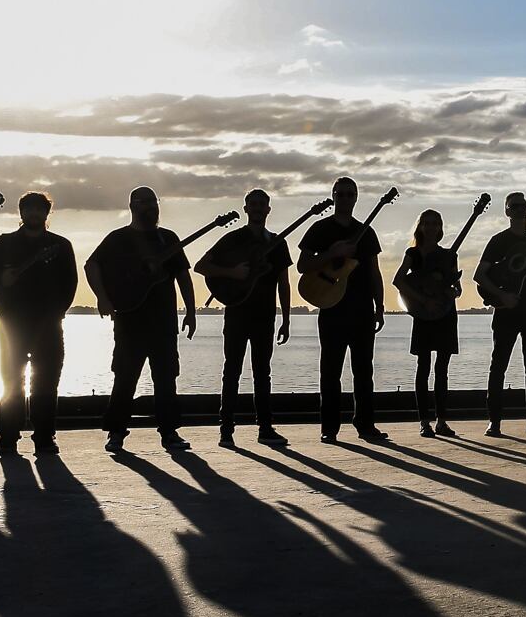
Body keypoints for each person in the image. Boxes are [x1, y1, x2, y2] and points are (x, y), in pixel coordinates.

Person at [86, 186, 197, 454]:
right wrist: (103, 298)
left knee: (166, 377)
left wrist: (191, 311)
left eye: (153, 202)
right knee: (125, 378)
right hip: (129, 318)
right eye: (144, 202)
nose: (150, 207)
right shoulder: (118, 238)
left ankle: (169, 433)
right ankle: (116, 433)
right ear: (132, 206)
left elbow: (183, 276)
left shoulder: (168, 239)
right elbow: (92, 265)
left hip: (164, 321)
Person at [0, 191, 78, 457]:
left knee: (46, 383)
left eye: (38, 209)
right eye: (28, 209)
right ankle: (8, 438)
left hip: (49, 324)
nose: (33, 213)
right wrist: (1, 278)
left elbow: (71, 283)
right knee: (11, 381)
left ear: (46, 213)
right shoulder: (4, 243)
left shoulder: (61, 245)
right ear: (21, 213)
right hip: (11, 324)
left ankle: (44, 438)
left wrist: (58, 312)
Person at [195, 188, 291, 449]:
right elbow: (201, 266)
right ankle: (226, 431)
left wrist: (286, 318)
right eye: (254, 204)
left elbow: (283, 282)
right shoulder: (233, 239)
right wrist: (233, 273)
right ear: (246, 208)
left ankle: (265, 429)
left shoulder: (278, 243)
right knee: (232, 371)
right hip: (237, 313)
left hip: (265, 316)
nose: (258, 208)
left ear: (268, 210)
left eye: (263, 204)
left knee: (263, 373)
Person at [297, 177, 387, 444]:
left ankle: (365, 425)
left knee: (363, 371)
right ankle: (329, 427)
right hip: (331, 306)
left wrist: (380, 306)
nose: (346, 198)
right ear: (333, 196)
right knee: (330, 371)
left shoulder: (367, 233)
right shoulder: (319, 229)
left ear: (356, 198)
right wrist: (331, 253)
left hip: (361, 309)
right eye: (341, 194)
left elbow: (374, 272)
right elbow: (302, 265)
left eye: (351, 194)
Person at [474, 192, 526, 436]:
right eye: (514, 206)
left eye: (523, 206)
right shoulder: (498, 241)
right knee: (498, 365)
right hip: (506, 311)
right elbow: (479, 275)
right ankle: (494, 421)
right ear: (507, 212)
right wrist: (502, 297)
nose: (520, 209)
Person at [394, 209, 460, 438]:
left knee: (442, 370)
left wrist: (454, 292)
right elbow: (398, 280)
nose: (431, 227)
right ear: (420, 227)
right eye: (427, 223)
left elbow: (455, 285)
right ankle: (424, 422)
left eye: (435, 223)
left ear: (440, 228)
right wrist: (423, 300)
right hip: (424, 314)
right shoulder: (413, 253)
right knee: (423, 368)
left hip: (446, 314)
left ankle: (442, 421)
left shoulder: (450, 255)